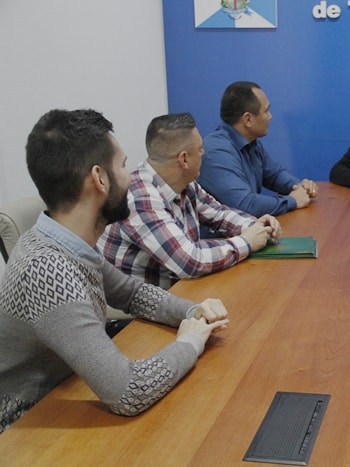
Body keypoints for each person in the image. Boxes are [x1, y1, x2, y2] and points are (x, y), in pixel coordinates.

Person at [0, 109, 229, 433]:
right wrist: (189, 342)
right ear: (99, 178)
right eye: (123, 166)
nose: (131, 178)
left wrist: (193, 312)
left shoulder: (67, 241)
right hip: (29, 427)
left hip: (71, 389)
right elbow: (129, 392)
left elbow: (131, 294)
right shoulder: (46, 270)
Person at [99, 112, 282, 289]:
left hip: (179, 289)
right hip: (146, 302)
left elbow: (218, 214)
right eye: (200, 149)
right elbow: (191, 261)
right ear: (184, 159)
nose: (204, 153)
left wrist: (256, 226)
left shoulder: (184, 183)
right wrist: (246, 241)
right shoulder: (140, 199)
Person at [198, 81, 318, 217]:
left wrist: (299, 186)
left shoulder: (252, 143)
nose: (270, 116)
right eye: (266, 111)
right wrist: (292, 201)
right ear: (248, 119)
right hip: (225, 230)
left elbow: (275, 175)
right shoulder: (216, 152)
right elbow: (245, 205)